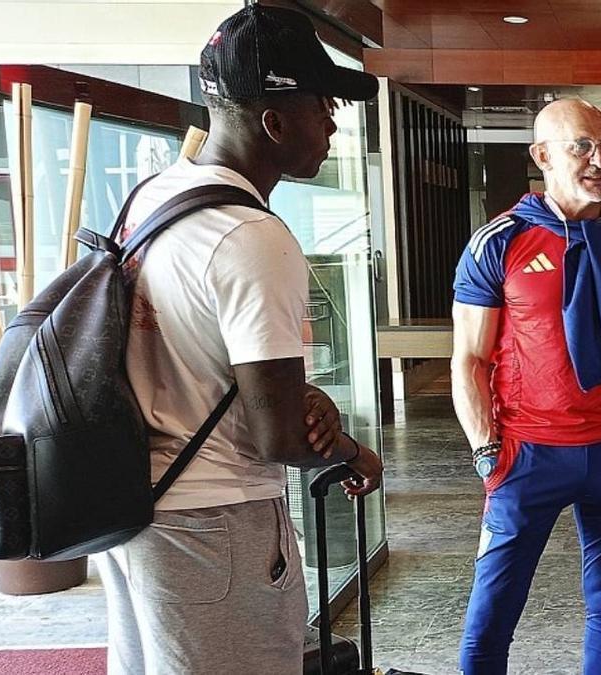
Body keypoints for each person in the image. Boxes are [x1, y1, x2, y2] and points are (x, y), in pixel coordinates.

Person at [92, 6, 383, 674]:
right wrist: (354, 452)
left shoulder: (153, 199)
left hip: (135, 510)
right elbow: (275, 435)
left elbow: (191, 354)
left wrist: (293, 392)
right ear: (275, 122)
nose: (333, 123)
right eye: (323, 105)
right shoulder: (253, 236)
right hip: (217, 522)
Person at [451, 98, 601, 675]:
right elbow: (470, 359)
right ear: (542, 155)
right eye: (582, 145)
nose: (599, 159)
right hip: (527, 454)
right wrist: (486, 453)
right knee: (492, 614)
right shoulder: (498, 242)